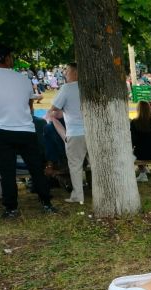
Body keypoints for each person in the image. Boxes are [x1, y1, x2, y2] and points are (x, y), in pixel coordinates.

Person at [0, 43, 55, 218]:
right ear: (7, 58)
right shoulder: (23, 79)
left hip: (1, 130)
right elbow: (29, 108)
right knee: (36, 168)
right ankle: (46, 203)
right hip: (25, 129)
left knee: (6, 172)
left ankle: (11, 208)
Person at [50, 63, 87, 204]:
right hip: (91, 132)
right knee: (95, 165)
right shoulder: (88, 87)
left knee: (75, 166)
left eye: (67, 71)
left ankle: (78, 195)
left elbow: (54, 108)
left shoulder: (67, 88)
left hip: (75, 133)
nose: (65, 74)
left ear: (75, 73)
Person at [130, 101, 151, 182]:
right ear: (149, 109)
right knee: (146, 147)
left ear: (138, 110)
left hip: (141, 154)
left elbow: (133, 140)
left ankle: (143, 173)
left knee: (135, 151)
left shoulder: (134, 122)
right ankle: (145, 168)